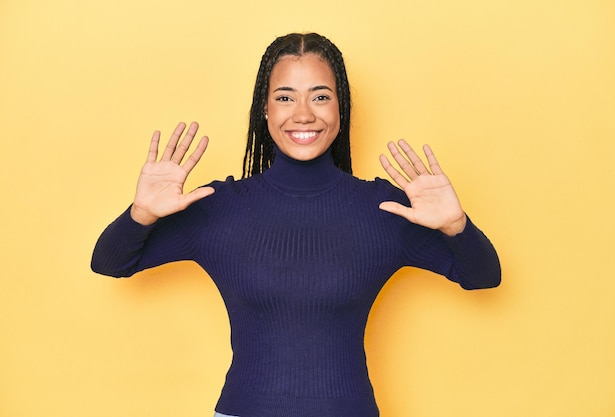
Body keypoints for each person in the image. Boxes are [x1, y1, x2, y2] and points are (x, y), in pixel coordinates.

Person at [91, 33, 501, 417]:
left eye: (320, 97)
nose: (303, 114)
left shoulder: (384, 210)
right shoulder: (218, 208)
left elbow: (483, 276)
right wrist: (140, 215)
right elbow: (111, 262)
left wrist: (456, 225)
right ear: (265, 109)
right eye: (285, 97)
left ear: (340, 108)